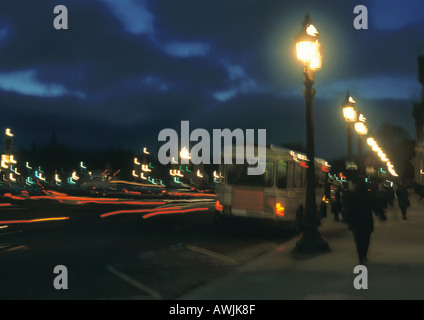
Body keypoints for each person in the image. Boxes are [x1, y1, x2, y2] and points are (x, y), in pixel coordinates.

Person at [344, 177, 378, 265]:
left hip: (355, 220)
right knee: (366, 238)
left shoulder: (352, 195)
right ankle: (364, 254)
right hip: (367, 219)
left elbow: (348, 207)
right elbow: (375, 206)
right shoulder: (369, 195)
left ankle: (360, 255)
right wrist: (381, 215)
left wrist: (346, 218)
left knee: (358, 239)